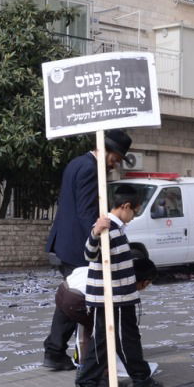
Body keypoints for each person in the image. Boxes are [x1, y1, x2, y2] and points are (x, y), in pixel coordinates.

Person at [43, 129, 133, 371]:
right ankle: (61, 351)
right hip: (78, 246)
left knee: (71, 298)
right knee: (75, 299)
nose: (115, 165)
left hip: (66, 242)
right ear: (107, 150)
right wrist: (97, 241)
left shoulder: (77, 163)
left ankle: (58, 350)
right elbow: (85, 213)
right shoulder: (91, 169)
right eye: (116, 159)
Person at [74, 185, 163, 387]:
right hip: (111, 297)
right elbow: (89, 254)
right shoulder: (106, 227)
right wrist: (95, 233)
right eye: (134, 212)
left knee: (120, 340)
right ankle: (88, 384)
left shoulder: (117, 228)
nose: (133, 217)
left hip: (120, 296)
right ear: (125, 206)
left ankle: (138, 378)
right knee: (114, 341)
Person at [55, 258, 157, 365]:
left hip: (63, 289)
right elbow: (127, 331)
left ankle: (56, 354)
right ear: (145, 282)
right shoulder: (124, 286)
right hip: (76, 299)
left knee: (79, 326)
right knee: (101, 332)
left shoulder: (114, 267)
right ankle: (91, 367)